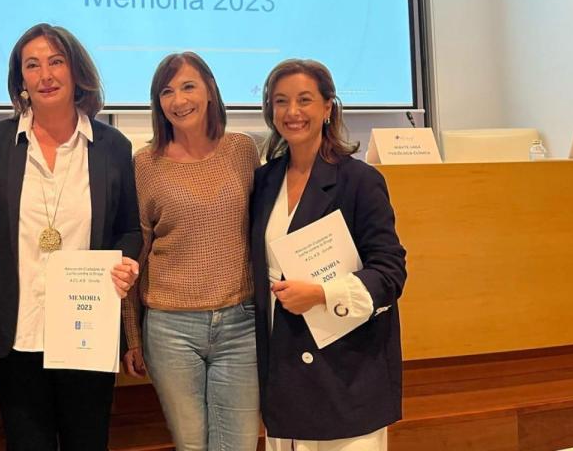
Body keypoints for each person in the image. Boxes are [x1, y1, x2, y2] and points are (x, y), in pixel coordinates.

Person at [0, 23, 142, 451]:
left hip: (87, 328)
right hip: (17, 331)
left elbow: (128, 227)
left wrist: (126, 262)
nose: (45, 75)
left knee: (87, 442)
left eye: (56, 62)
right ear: (21, 81)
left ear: (76, 73)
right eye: (32, 65)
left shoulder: (112, 146)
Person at [250, 59, 407, 451]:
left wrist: (322, 295)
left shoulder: (359, 180)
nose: (292, 112)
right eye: (281, 101)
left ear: (328, 108)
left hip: (346, 370)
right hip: (284, 365)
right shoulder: (264, 181)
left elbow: (390, 272)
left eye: (305, 100)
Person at [123, 51, 261, 451]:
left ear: (210, 91)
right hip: (170, 330)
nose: (179, 100)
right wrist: (133, 335)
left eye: (188, 86)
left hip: (241, 323)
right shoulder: (145, 164)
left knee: (236, 445)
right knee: (191, 445)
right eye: (167, 91)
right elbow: (137, 256)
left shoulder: (243, 150)